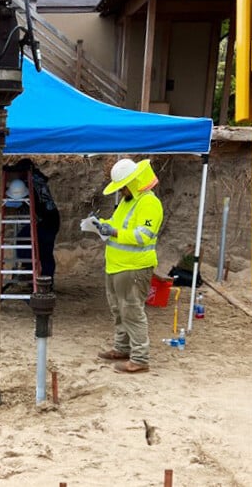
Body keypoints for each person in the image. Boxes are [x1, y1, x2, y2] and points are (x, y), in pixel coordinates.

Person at [89, 158, 163, 374]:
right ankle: (122, 348)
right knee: (118, 310)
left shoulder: (149, 203)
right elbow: (116, 222)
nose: (121, 192)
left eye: (123, 187)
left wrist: (113, 232)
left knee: (132, 311)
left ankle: (140, 358)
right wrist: (102, 224)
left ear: (132, 183)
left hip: (134, 268)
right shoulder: (127, 201)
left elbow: (144, 235)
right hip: (116, 266)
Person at [4, 158, 60, 287]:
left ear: (24, 171)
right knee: (40, 248)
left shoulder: (30, 181)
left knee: (41, 249)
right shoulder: (37, 178)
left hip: (46, 220)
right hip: (49, 218)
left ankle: (37, 276)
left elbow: (21, 200)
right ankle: (41, 278)